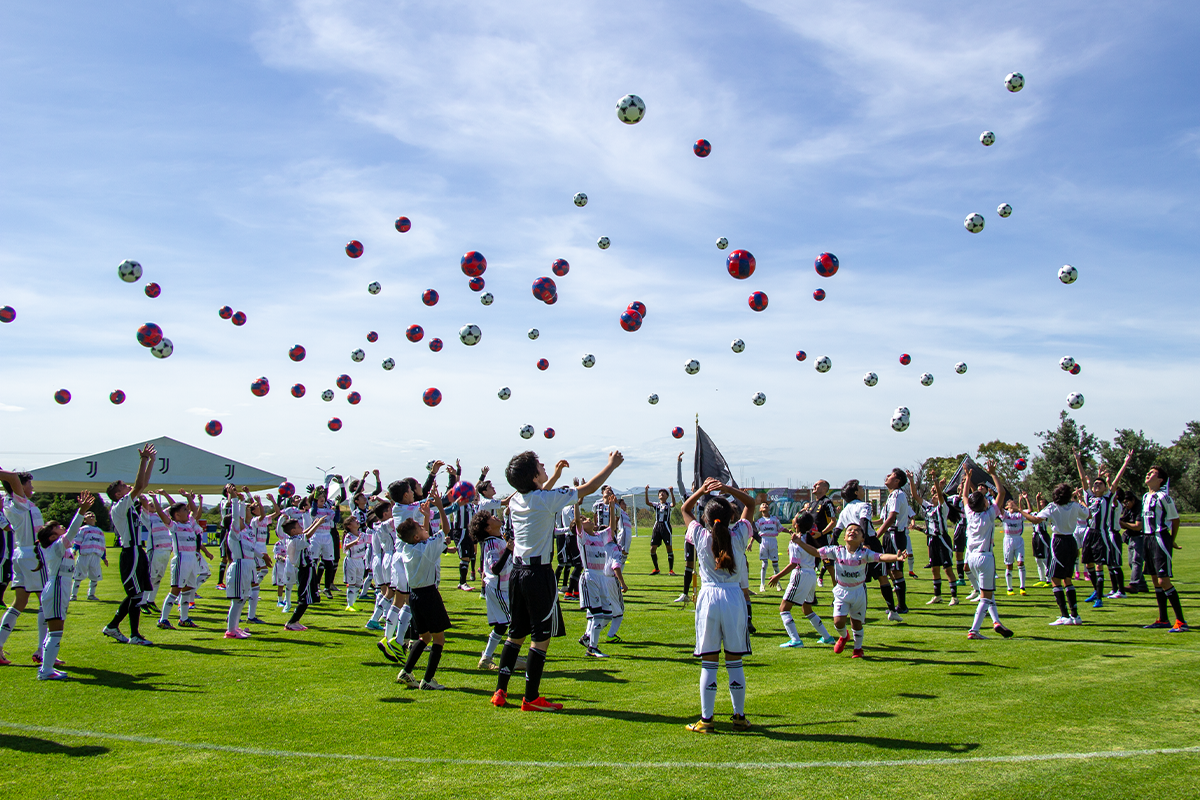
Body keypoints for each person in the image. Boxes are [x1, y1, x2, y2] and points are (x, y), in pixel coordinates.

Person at [490, 448, 623, 712]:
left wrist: (555, 474)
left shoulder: (517, 498)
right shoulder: (543, 499)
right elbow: (587, 488)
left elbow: (539, 493)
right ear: (533, 476)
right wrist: (611, 466)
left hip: (517, 573)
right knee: (540, 637)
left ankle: (500, 691)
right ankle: (531, 698)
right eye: (539, 464)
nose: (543, 464)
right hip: (538, 575)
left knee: (515, 634)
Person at [682, 478, 755, 733]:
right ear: (731, 514)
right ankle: (739, 716)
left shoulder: (700, 535)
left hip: (709, 598)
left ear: (705, 517)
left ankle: (706, 720)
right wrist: (727, 489)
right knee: (735, 662)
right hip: (735, 598)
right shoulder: (740, 533)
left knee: (709, 663)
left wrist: (702, 491)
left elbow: (684, 510)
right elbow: (751, 503)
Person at [798, 523, 907, 659]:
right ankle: (844, 636)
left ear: (862, 539)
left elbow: (880, 557)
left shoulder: (864, 553)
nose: (853, 532)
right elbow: (816, 552)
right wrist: (799, 543)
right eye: (849, 530)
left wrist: (896, 557)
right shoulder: (836, 551)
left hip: (858, 592)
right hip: (841, 591)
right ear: (844, 537)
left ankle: (858, 649)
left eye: (857, 531)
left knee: (856, 623)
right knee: (838, 622)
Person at [100, 443, 157, 646]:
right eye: (124, 487)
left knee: (138, 594)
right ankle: (129, 633)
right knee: (135, 594)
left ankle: (117, 628)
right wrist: (143, 460)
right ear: (118, 494)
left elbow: (143, 484)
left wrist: (151, 461)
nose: (128, 487)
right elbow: (140, 486)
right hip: (130, 552)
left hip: (137, 551)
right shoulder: (119, 506)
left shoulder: (127, 505)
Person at [396, 489, 451, 689]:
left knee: (424, 637)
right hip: (429, 595)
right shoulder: (426, 548)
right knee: (438, 639)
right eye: (420, 527)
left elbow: (423, 539)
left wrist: (426, 518)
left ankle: (406, 671)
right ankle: (427, 680)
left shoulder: (407, 548)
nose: (423, 527)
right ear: (417, 536)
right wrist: (440, 509)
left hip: (415, 596)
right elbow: (445, 531)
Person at [34, 492, 91, 680]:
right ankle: (46, 671)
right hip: (57, 587)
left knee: (55, 630)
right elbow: (73, 531)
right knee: (56, 631)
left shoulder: (59, 547)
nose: (62, 528)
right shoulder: (56, 546)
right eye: (58, 528)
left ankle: (47, 667)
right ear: (52, 537)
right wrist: (81, 511)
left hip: (59, 588)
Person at [1019, 482, 1089, 625]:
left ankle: (1064, 615)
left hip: (1059, 542)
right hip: (1072, 540)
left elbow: (1035, 519)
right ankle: (1075, 615)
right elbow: (1088, 514)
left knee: (1055, 579)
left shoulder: (1052, 507)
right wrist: (1080, 499)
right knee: (1068, 579)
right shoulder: (1075, 506)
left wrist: (1018, 510)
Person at [834, 479, 901, 623]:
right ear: (856, 492)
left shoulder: (845, 510)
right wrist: (866, 542)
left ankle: (858, 614)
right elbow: (864, 522)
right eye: (860, 487)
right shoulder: (864, 505)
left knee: (859, 580)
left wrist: (833, 545)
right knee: (883, 577)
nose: (863, 488)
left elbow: (837, 530)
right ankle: (892, 610)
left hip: (851, 547)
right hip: (870, 542)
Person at [961, 461, 1014, 640]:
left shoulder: (969, 513)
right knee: (985, 596)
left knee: (987, 591)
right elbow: (1002, 493)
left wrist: (968, 479)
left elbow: (964, 497)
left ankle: (996, 621)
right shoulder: (989, 514)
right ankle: (974, 630)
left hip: (972, 558)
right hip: (985, 558)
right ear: (985, 504)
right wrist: (993, 473)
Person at [766, 512, 835, 647]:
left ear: (796, 524)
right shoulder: (808, 538)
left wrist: (777, 576)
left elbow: (793, 564)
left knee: (784, 609)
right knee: (807, 609)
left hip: (800, 574)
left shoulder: (796, 541)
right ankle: (827, 637)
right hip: (811, 575)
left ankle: (795, 640)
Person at [1075, 450, 1133, 606]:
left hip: (1102, 534)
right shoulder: (1090, 497)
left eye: (1100, 483)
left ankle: (1100, 597)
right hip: (1089, 534)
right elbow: (1082, 479)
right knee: (1088, 564)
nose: (1096, 484)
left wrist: (1125, 463)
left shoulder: (1107, 498)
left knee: (1100, 564)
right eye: (1095, 483)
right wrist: (1077, 459)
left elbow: (1116, 482)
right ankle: (1096, 591)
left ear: (1105, 488)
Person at [1140, 465, 1188, 632]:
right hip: (1147, 539)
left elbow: (1175, 519)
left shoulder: (1164, 497)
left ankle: (1181, 621)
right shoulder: (1146, 496)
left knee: (1163, 580)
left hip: (1160, 538)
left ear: (1160, 480)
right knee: (1155, 580)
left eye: (1152, 473)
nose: (1148, 474)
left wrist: (1171, 540)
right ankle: (1163, 619)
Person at [153, 493, 203, 629]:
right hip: (182, 559)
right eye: (184, 510)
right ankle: (163, 619)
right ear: (176, 515)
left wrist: (189, 498)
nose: (188, 512)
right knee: (175, 590)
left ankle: (184, 618)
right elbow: (162, 515)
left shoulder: (190, 524)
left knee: (188, 590)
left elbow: (195, 511)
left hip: (192, 558)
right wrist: (155, 500)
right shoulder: (174, 526)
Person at [573, 499, 615, 659]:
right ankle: (592, 647)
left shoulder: (599, 536)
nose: (588, 519)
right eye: (585, 520)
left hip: (601, 577)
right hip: (590, 577)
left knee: (608, 615)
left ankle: (587, 637)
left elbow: (612, 528)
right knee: (597, 614)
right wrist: (576, 504)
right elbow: (577, 520)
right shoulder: (582, 537)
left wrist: (611, 508)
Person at [473, 509, 514, 669]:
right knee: (511, 622)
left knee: (503, 624)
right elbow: (495, 569)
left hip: (505, 588)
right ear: (487, 528)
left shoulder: (498, 539)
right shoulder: (491, 544)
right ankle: (506, 656)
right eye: (490, 518)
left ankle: (489, 657)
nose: (495, 516)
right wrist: (509, 550)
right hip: (498, 590)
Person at [917, 470, 958, 606]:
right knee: (935, 569)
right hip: (932, 540)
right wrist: (911, 480)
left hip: (942, 539)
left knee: (947, 569)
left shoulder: (942, 507)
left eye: (935, 495)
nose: (933, 496)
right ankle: (938, 596)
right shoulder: (929, 508)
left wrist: (935, 480)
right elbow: (915, 496)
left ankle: (954, 597)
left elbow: (940, 495)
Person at [876, 468, 913, 614]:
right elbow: (882, 519)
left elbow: (891, 518)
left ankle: (902, 605)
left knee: (896, 570)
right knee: (890, 570)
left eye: (890, 475)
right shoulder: (891, 496)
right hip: (889, 535)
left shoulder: (898, 494)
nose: (887, 476)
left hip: (895, 535)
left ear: (897, 481)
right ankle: (898, 605)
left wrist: (877, 535)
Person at [283, 514, 324, 631]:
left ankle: (295, 621)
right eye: (299, 526)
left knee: (307, 598)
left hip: (308, 569)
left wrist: (313, 524)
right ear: (293, 530)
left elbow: (304, 534)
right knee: (304, 598)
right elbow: (307, 535)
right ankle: (291, 622)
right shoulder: (295, 541)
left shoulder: (295, 538)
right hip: (304, 570)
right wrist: (318, 524)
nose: (301, 527)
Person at [802, 480, 838, 588]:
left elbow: (833, 522)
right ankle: (810, 596)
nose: (814, 486)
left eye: (817, 484)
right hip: (811, 540)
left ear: (824, 488)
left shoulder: (827, 502)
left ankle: (838, 595)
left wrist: (821, 533)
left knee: (830, 567)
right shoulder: (812, 504)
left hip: (824, 539)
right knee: (809, 566)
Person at [70, 512, 107, 601]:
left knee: (95, 575)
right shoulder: (83, 529)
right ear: (84, 520)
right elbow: (78, 541)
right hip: (85, 554)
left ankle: (91, 594)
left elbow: (102, 545)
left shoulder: (100, 531)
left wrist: (104, 557)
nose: (91, 515)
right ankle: (73, 595)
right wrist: (75, 550)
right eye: (88, 515)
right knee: (79, 574)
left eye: (93, 515)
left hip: (95, 556)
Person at [1118, 489, 1147, 593]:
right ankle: (1142, 585)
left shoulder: (1140, 508)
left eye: (1127, 502)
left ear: (1133, 500)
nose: (1125, 505)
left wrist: (1123, 524)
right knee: (1131, 562)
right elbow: (1123, 520)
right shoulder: (1129, 508)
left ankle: (1134, 585)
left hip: (1140, 536)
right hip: (1132, 537)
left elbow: (1138, 526)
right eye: (1124, 503)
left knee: (1136, 561)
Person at [749, 497, 781, 594]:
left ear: (769, 508)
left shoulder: (774, 519)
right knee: (764, 564)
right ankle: (762, 585)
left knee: (775, 564)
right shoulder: (759, 521)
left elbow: (781, 528)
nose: (765, 506)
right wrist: (750, 543)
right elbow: (755, 533)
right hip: (763, 541)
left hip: (773, 541)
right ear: (760, 509)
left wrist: (789, 532)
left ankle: (778, 583)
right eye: (763, 505)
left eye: (766, 505)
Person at [644, 484, 676, 576]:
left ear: (667, 496)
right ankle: (656, 569)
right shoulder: (656, 505)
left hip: (665, 526)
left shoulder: (668, 505)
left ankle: (671, 570)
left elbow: (674, 504)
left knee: (668, 547)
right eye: (660, 493)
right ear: (658, 496)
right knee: (652, 548)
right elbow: (647, 503)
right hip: (657, 526)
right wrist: (646, 491)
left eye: (663, 493)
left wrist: (671, 492)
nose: (661, 494)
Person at [999, 498, 1027, 596]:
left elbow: (1025, 511)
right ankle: (1009, 588)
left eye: (1013, 502)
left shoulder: (1019, 515)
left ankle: (1022, 587)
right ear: (1007, 506)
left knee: (1020, 563)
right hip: (1008, 540)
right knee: (1009, 565)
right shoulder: (1005, 515)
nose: (1012, 503)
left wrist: (1020, 501)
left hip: (1018, 540)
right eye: (1009, 503)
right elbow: (1000, 508)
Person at [342, 516, 367, 611]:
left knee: (359, 583)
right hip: (351, 561)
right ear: (349, 526)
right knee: (351, 583)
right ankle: (349, 604)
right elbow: (345, 547)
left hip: (360, 560)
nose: (357, 521)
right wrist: (355, 541)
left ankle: (354, 602)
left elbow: (370, 539)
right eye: (354, 521)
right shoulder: (349, 536)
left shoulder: (362, 534)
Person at [1029, 493, 1051, 586]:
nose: (1041, 504)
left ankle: (1049, 579)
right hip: (1035, 536)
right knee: (1038, 559)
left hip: (1043, 536)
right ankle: (1041, 578)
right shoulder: (1035, 513)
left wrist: (1037, 500)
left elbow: (1040, 512)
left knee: (1045, 558)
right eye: (1040, 502)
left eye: (1042, 503)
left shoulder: (1046, 514)